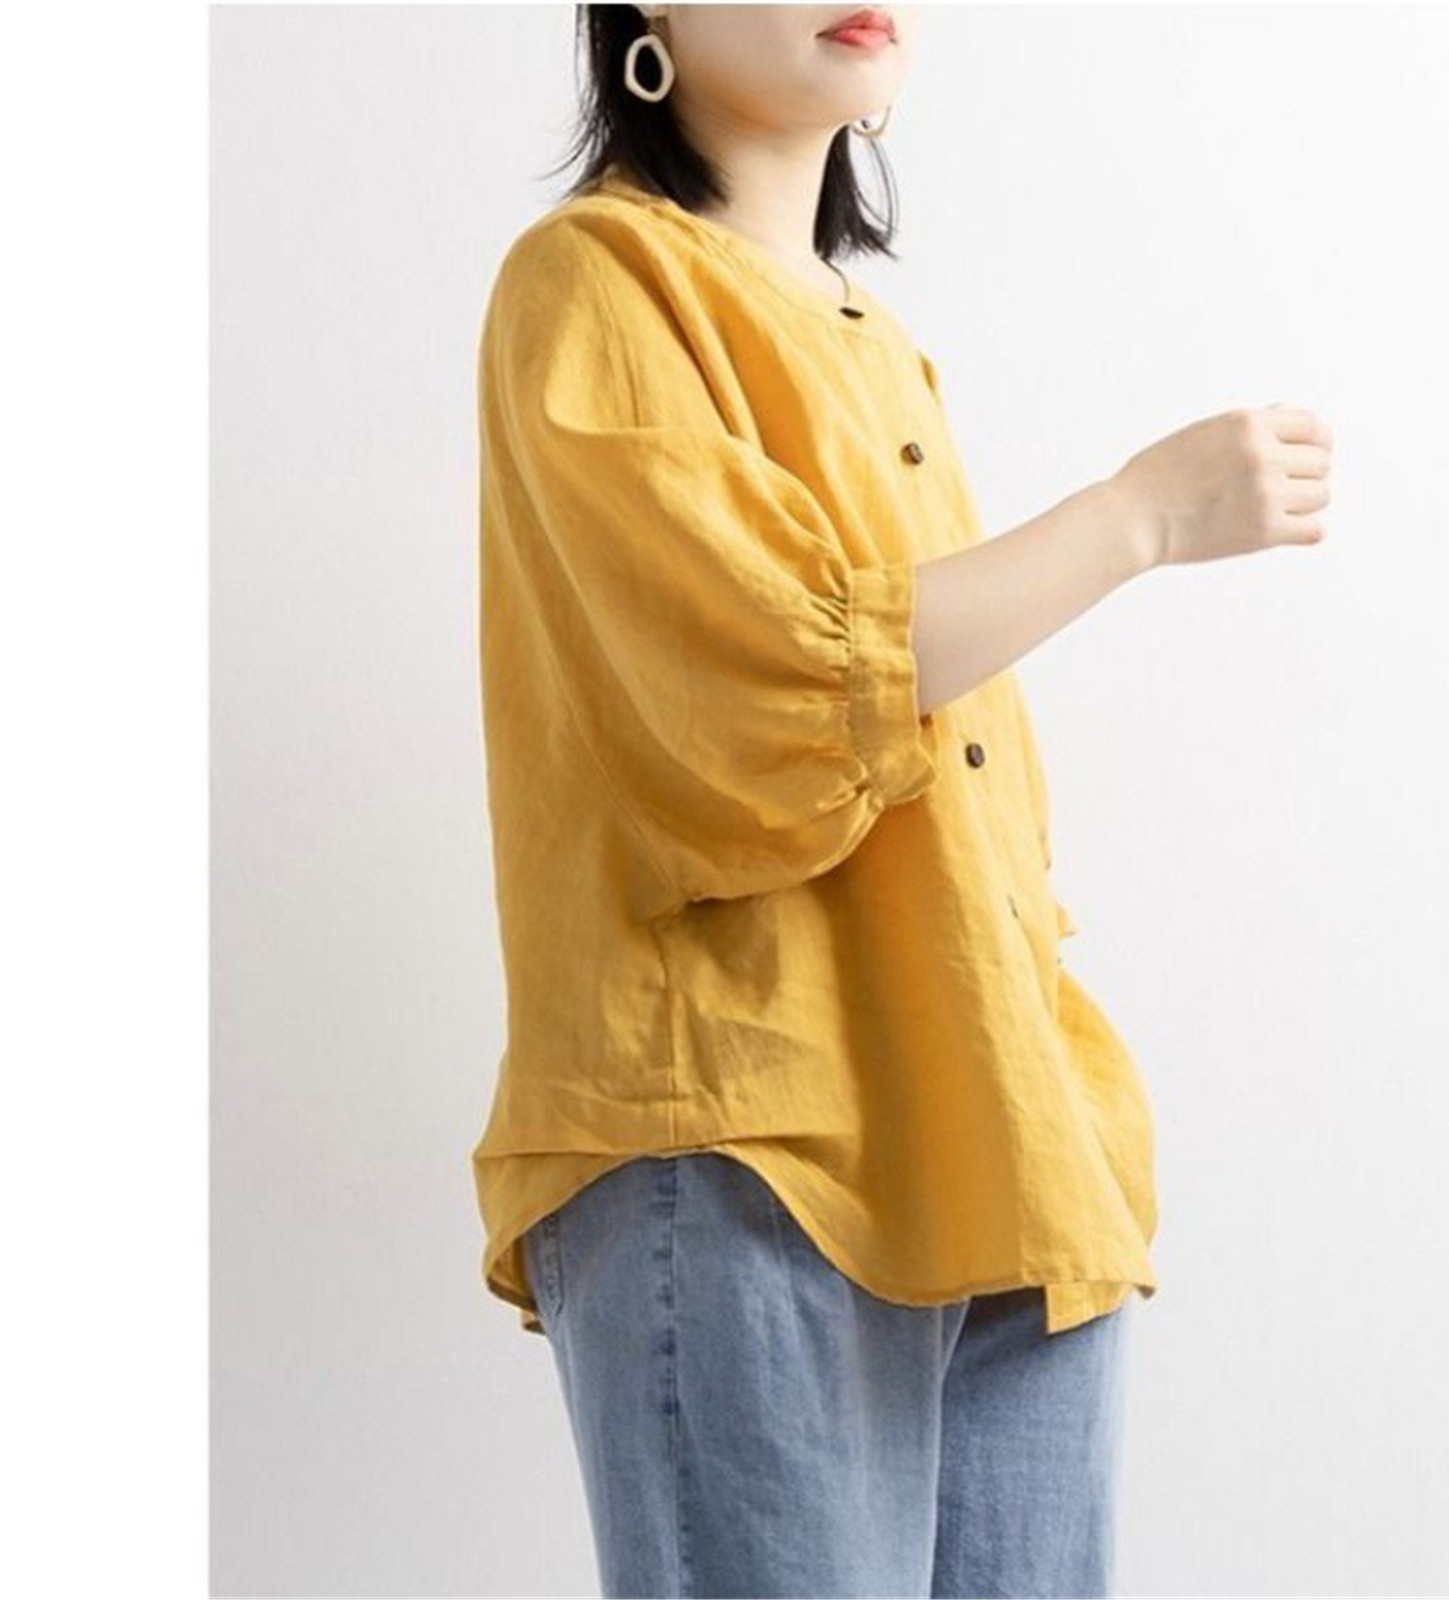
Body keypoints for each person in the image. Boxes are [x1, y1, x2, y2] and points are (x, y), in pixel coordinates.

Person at [471, 6, 1333, 1597]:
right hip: (749, 1141)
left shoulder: (870, 335)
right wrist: (1137, 517)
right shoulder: (594, 281)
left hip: (997, 1125)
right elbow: (754, 687)